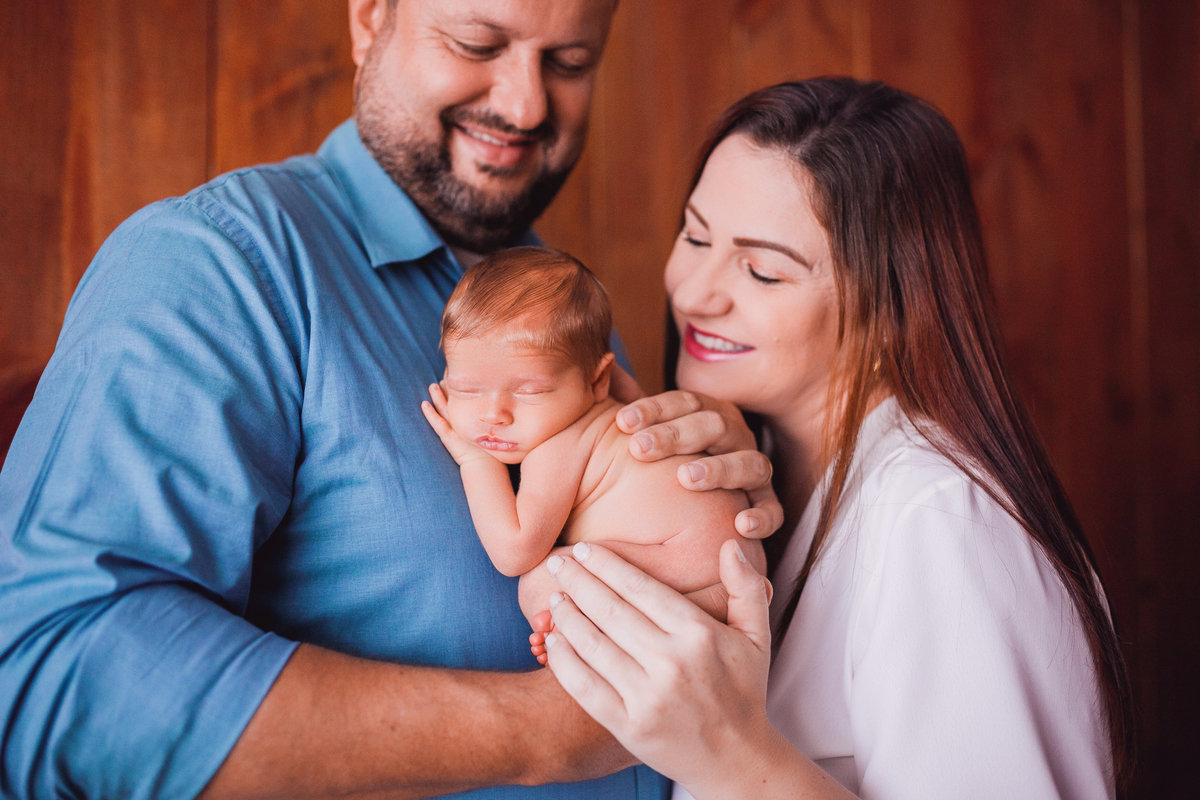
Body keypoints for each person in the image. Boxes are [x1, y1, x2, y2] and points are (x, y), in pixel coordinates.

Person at [0, 2, 782, 798]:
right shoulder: (219, 265)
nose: (526, 105)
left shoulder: (573, 315)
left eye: (570, 62)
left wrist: (711, 488)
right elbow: (55, 676)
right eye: (477, 43)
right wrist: (554, 731)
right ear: (370, 19)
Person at [535, 78, 1134, 799]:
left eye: (762, 270)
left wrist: (732, 754)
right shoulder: (746, 481)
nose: (694, 291)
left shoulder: (942, 521)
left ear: (891, 307)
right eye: (695, 235)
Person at [421, 246, 764, 633]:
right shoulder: (616, 412)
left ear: (599, 379)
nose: (493, 415)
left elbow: (514, 551)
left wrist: (475, 461)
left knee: (539, 583)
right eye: (466, 390)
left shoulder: (559, 445)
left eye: (529, 392)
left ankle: (581, 641)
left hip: (687, 570)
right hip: (739, 567)